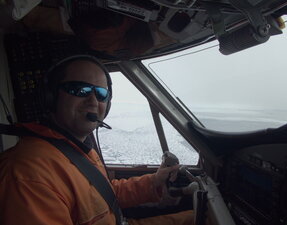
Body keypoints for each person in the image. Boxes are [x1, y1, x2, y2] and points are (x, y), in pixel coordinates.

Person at [0, 55, 193, 225]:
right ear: (51, 97)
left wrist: (154, 182)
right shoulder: (28, 174)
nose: (93, 100)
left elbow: (103, 193)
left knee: (201, 216)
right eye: (80, 90)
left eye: (101, 93)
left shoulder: (77, 148)